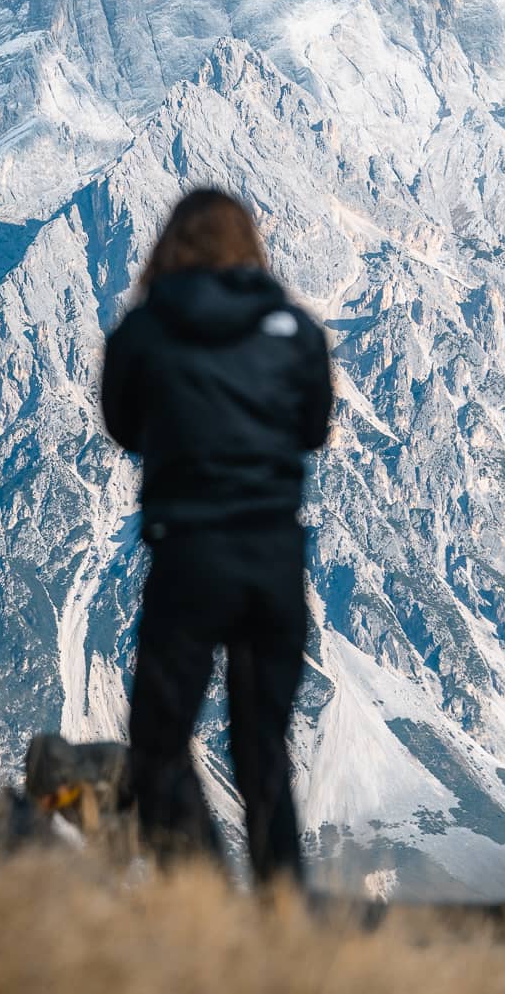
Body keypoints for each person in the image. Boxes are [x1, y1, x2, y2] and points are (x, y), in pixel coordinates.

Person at [100, 187, 333, 884]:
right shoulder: (295, 329)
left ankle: (199, 896)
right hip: (272, 557)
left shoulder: (142, 332)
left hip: (190, 556)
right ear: (249, 248)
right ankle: (286, 919)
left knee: (160, 739)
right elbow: (314, 429)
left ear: (169, 246)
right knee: (263, 745)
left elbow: (121, 425)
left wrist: (182, 436)